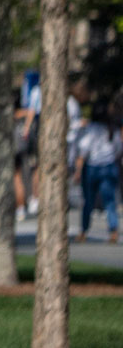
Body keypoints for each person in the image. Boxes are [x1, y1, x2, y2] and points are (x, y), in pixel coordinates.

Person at [73, 98, 121, 245]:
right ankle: (113, 230)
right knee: (110, 201)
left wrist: (78, 170)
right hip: (109, 166)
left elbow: (83, 151)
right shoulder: (112, 129)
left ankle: (84, 231)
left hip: (92, 168)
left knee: (88, 201)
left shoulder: (90, 129)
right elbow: (118, 149)